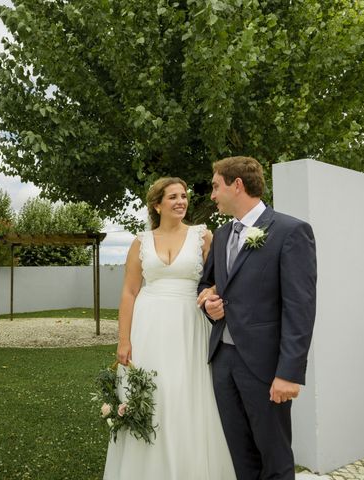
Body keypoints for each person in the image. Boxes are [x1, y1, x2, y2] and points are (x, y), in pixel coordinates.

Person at [104, 177, 236, 479]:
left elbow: (220, 279)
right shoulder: (141, 242)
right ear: (157, 204)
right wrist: (123, 340)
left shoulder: (203, 237)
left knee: (185, 393)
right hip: (148, 327)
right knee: (153, 395)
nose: (181, 201)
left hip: (189, 325)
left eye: (184, 196)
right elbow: (129, 292)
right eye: (173, 196)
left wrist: (210, 292)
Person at [199, 156, 317, 480]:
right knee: (241, 456)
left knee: (275, 458)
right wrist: (209, 304)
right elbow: (207, 286)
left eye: (215, 186)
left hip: (266, 367)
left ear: (237, 185)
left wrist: (289, 373)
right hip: (223, 362)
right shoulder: (221, 235)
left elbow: (300, 308)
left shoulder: (291, 231)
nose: (212, 195)